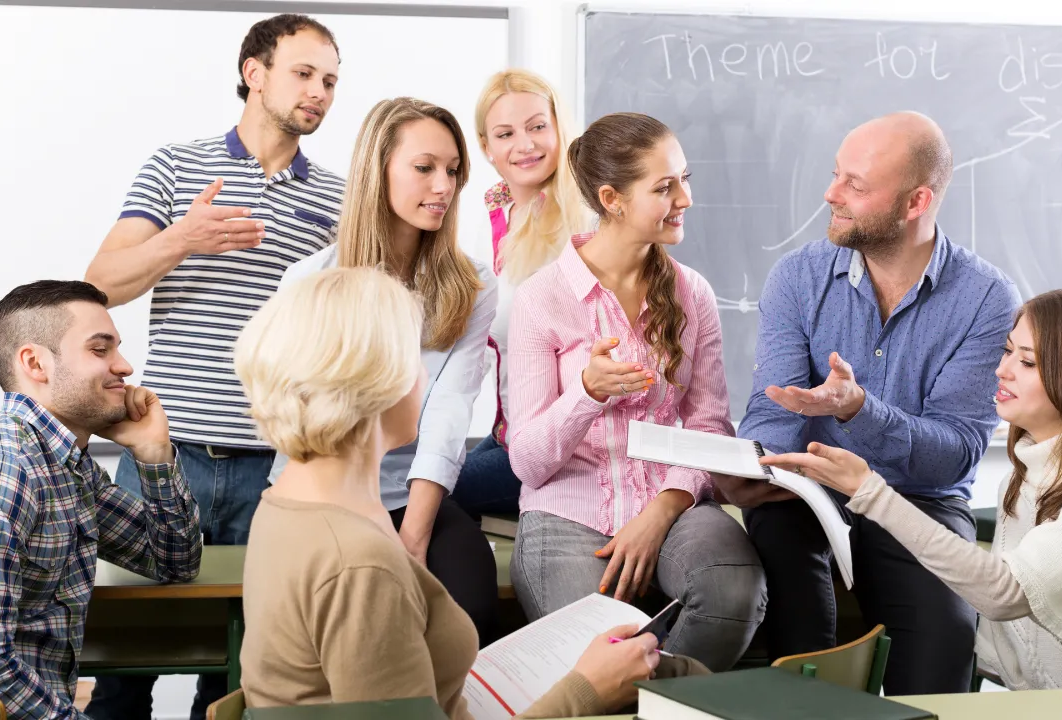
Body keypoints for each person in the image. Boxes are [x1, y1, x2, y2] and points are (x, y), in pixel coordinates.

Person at [235, 266, 707, 715]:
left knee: (678, 672)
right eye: (414, 356)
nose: (424, 375)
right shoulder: (358, 563)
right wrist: (586, 690)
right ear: (373, 381)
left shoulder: (287, 507)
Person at [81, 14, 344, 718]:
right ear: (254, 73)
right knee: (123, 668)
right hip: (166, 458)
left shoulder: (338, 199)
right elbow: (99, 284)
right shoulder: (176, 165)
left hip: (276, 466)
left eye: (330, 81)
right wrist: (181, 239)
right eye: (304, 74)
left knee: (243, 675)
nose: (319, 92)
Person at [728, 111, 1022, 694]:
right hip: (805, 495)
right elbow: (771, 411)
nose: (830, 194)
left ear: (915, 202)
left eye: (855, 185)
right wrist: (751, 464)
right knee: (799, 622)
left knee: (946, 636)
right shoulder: (799, 277)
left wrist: (857, 411)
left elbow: (956, 455)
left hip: (918, 502)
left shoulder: (987, 299)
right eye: (837, 174)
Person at [759, 289, 1062, 689]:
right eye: (1007, 351)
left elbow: (1004, 593)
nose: (1002, 370)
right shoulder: (1025, 475)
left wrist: (871, 492)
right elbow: (1017, 640)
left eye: (1028, 362)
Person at [506, 112, 765, 672]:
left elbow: (709, 427)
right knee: (591, 655)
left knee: (733, 595)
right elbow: (528, 462)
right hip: (565, 512)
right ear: (612, 199)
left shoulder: (692, 293)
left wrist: (662, 510)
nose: (686, 198)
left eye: (685, 179)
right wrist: (586, 393)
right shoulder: (540, 299)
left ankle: (665, 706)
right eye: (665, 187)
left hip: (671, 500)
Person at [0, 281, 202, 720]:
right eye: (101, 351)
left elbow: (175, 562)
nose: (125, 366)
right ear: (35, 363)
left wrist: (154, 454)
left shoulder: (65, 467)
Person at [271, 97, 500, 643]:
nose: (443, 186)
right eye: (424, 168)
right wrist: (369, 536)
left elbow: (450, 407)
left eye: (452, 171)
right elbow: (308, 432)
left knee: (469, 609)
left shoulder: (473, 283)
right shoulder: (308, 282)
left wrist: (415, 533)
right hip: (322, 496)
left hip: (413, 492)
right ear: (379, 171)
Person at [452, 69, 591, 518]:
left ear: (558, 128)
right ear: (486, 146)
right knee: (411, 483)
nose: (525, 144)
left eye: (537, 126)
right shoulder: (490, 217)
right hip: (508, 434)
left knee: (429, 499)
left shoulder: (588, 219)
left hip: (574, 450)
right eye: (506, 133)